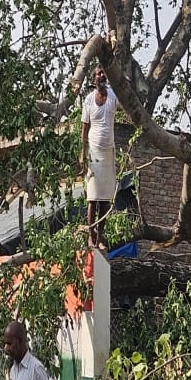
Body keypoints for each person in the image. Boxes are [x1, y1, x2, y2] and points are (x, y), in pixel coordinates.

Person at [79, 63, 119, 251]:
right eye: (98, 74)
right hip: (93, 154)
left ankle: (100, 238)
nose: (102, 76)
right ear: (93, 78)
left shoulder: (113, 96)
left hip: (108, 153)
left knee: (105, 200)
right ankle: (90, 235)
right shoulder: (88, 101)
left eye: (104, 73)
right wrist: (81, 154)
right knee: (92, 198)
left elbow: (129, 102)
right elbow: (84, 130)